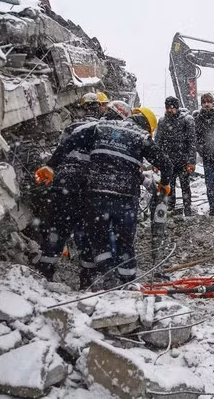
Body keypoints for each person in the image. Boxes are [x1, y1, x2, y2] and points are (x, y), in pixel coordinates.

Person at [37, 107, 171, 289]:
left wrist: (51, 166)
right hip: (123, 196)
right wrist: (165, 183)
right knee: (123, 242)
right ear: (146, 126)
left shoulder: (99, 127)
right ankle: (127, 283)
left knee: (97, 238)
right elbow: (164, 163)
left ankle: (105, 277)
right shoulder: (140, 136)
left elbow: (72, 142)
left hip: (94, 194)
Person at [31, 93, 103, 281]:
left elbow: (60, 151)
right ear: (100, 108)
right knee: (86, 231)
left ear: (82, 108)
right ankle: (87, 275)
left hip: (63, 181)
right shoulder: (101, 129)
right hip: (87, 183)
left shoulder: (71, 127)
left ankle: (46, 270)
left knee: (58, 226)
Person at [155, 96, 197, 216]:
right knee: (170, 185)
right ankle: (171, 206)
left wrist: (191, 161)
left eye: (172, 107)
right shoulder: (162, 121)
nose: (169, 110)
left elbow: (192, 142)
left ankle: (187, 208)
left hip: (183, 160)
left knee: (185, 185)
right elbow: (158, 141)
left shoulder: (187, 120)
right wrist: (157, 161)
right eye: (168, 107)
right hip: (169, 160)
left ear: (177, 107)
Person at [193, 93, 214, 216]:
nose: (206, 104)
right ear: (201, 103)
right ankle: (213, 209)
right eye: (204, 102)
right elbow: (196, 137)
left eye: (209, 101)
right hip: (208, 157)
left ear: (213, 103)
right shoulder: (199, 119)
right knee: (210, 185)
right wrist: (202, 149)